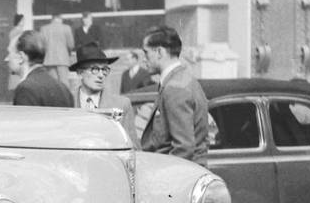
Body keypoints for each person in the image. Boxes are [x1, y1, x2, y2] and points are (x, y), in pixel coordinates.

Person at [139, 25, 209, 166]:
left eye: (146, 53)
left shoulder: (175, 88)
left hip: (178, 173)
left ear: (159, 52)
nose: (144, 60)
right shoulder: (183, 79)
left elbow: (184, 148)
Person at [71, 43, 138, 146]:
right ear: (80, 73)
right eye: (95, 69)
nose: (101, 75)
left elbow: (133, 147)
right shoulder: (66, 103)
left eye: (104, 70)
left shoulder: (122, 105)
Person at [9, 30, 73, 107]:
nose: (6, 59)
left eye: (9, 53)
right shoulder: (63, 88)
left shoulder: (26, 89)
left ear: (20, 57)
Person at [39, 14, 75, 86]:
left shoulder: (44, 29)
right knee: (64, 83)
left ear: (52, 19)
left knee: (53, 84)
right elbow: (71, 45)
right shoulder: (66, 28)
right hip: (62, 59)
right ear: (60, 19)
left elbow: (41, 46)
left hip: (49, 59)